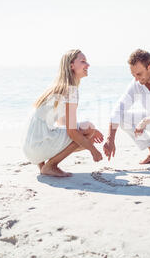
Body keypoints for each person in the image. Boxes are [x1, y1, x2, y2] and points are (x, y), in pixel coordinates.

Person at [23, 49, 103, 177]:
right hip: (38, 148)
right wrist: (93, 150)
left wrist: (89, 136)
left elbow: (61, 122)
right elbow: (71, 131)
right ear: (71, 66)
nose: (88, 65)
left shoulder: (58, 87)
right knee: (88, 127)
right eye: (83, 61)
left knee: (86, 132)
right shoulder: (71, 91)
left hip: (31, 150)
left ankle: (44, 166)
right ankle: (51, 166)